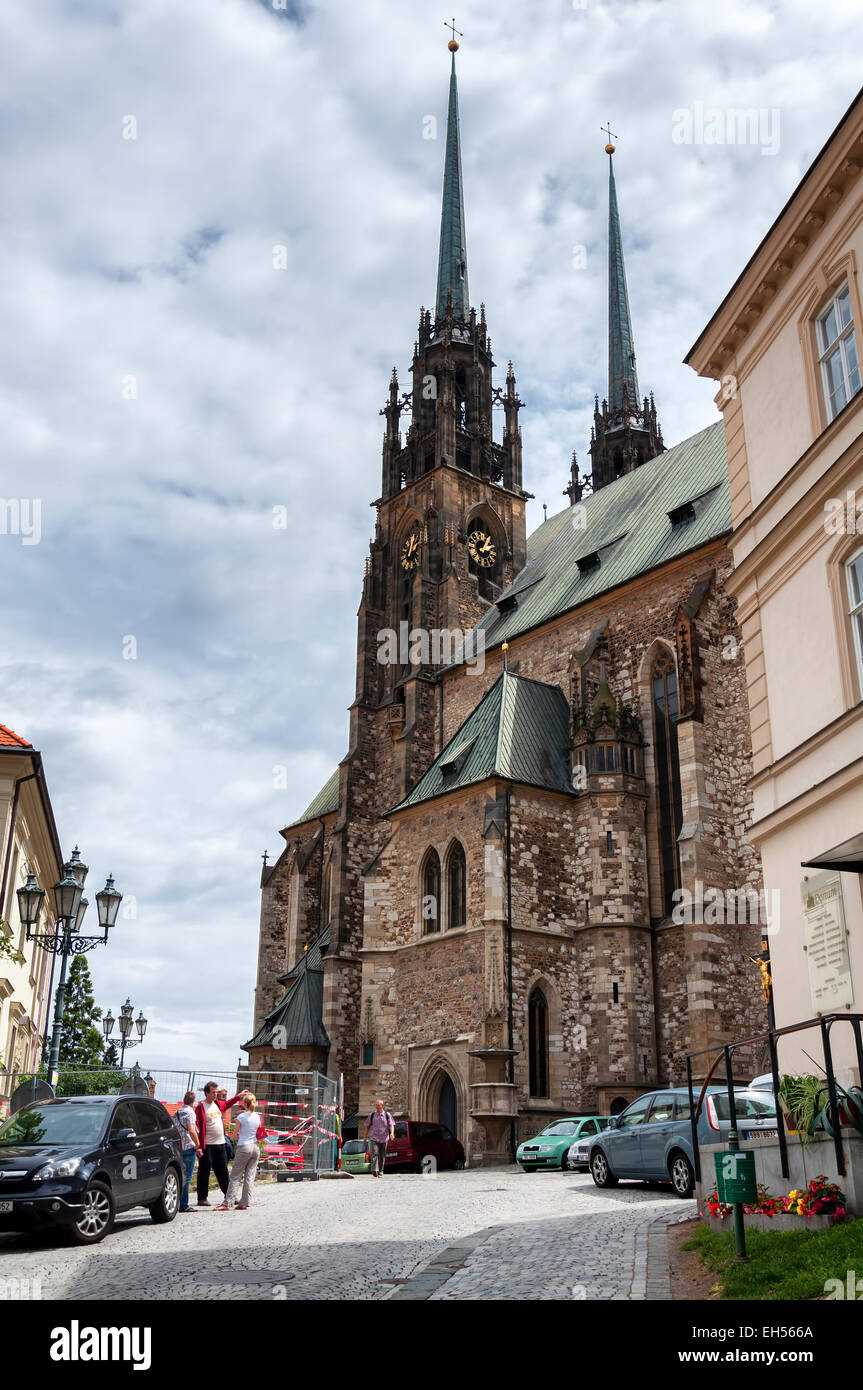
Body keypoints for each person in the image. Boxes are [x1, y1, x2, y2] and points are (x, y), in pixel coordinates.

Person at [194, 1082, 247, 1207]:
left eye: (216, 1092)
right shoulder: (201, 1107)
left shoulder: (217, 1104)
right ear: (207, 1093)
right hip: (207, 1145)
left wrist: (238, 1097)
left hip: (220, 1143)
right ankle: (202, 1198)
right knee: (204, 1172)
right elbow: (198, 1127)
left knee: (223, 1171)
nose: (215, 1094)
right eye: (213, 1092)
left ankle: (230, 1196)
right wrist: (199, 1146)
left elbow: (228, 1104)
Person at [216, 1094, 266, 1211]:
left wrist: (237, 1137)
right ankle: (244, 1202)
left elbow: (234, 1135)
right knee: (250, 1176)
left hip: (244, 1147)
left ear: (244, 1103)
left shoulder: (241, 1117)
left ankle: (227, 1203)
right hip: (255, 1147)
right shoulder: (258, 1116)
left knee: (235, 1176)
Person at [173, 1090, 202, 1213]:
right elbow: (191, 1130)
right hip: (189, 1147)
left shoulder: (177, 1113)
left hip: (178, 1147)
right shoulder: (190, 1113)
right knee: (187, 1177)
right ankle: (184, 1204)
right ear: (193, 1101)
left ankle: (176, 1203)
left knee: (179, 1176)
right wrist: (198, 1145)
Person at [363, 1099, 395, 1178]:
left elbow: (391, 1125)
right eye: (376, 1105)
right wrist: (364, 1138)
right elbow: (367, 1127)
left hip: (384, 1139)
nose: (377, 1106)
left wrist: (392, 1133)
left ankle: (380, 1171)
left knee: (382, 1156)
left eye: (378, 1105)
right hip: (374, 1138)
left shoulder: (387, 1115)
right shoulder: (372, 1115)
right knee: (374, 1153)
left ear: (382, 1106)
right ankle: (374, 1170)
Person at [217, 1089, 235, 1161]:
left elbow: (229, 1103)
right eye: (223, 1095)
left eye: (225, 1095)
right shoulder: (217, 1105)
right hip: (217, 1136)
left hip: (222, 1133)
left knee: (230, 1144)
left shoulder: (222, 1105)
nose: (224, 1097)